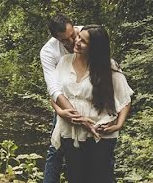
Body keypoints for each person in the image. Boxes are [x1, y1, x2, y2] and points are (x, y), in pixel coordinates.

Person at [49, 25, 132, 183]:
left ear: (95, 47)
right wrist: (60, 112)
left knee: (100, 178)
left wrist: (119, 125)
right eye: (79, 37)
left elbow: (125, 99)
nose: (77, 42)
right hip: (70, 130)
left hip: (99, 132)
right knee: (75, 177)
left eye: (84, 41)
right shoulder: (64, 62)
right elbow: (54, 95)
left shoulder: (108, 67)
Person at [40, 14, 83, 183]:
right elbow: (53, 87)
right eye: (65, 40)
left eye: (73, 35)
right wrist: (64, 111)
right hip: (65, 102)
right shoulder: (49, 51)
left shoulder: (88, 36)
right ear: (56, 39)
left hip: (91, 100)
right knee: (56, 148)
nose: (73, 42)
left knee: (95, 149)